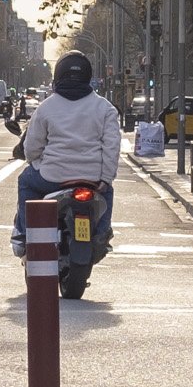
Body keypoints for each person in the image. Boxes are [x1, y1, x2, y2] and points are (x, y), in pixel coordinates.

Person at [15, 52, 119, 255]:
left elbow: (31, 148)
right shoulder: (105, 108)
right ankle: (101, 235)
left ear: (58, 76)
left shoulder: (46, 108)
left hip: (52, 178)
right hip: (92, 180)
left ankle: (26, 234)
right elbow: (112, 148)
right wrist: (105, 178)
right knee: (107, 192)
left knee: (25, 181)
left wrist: (36, 161)